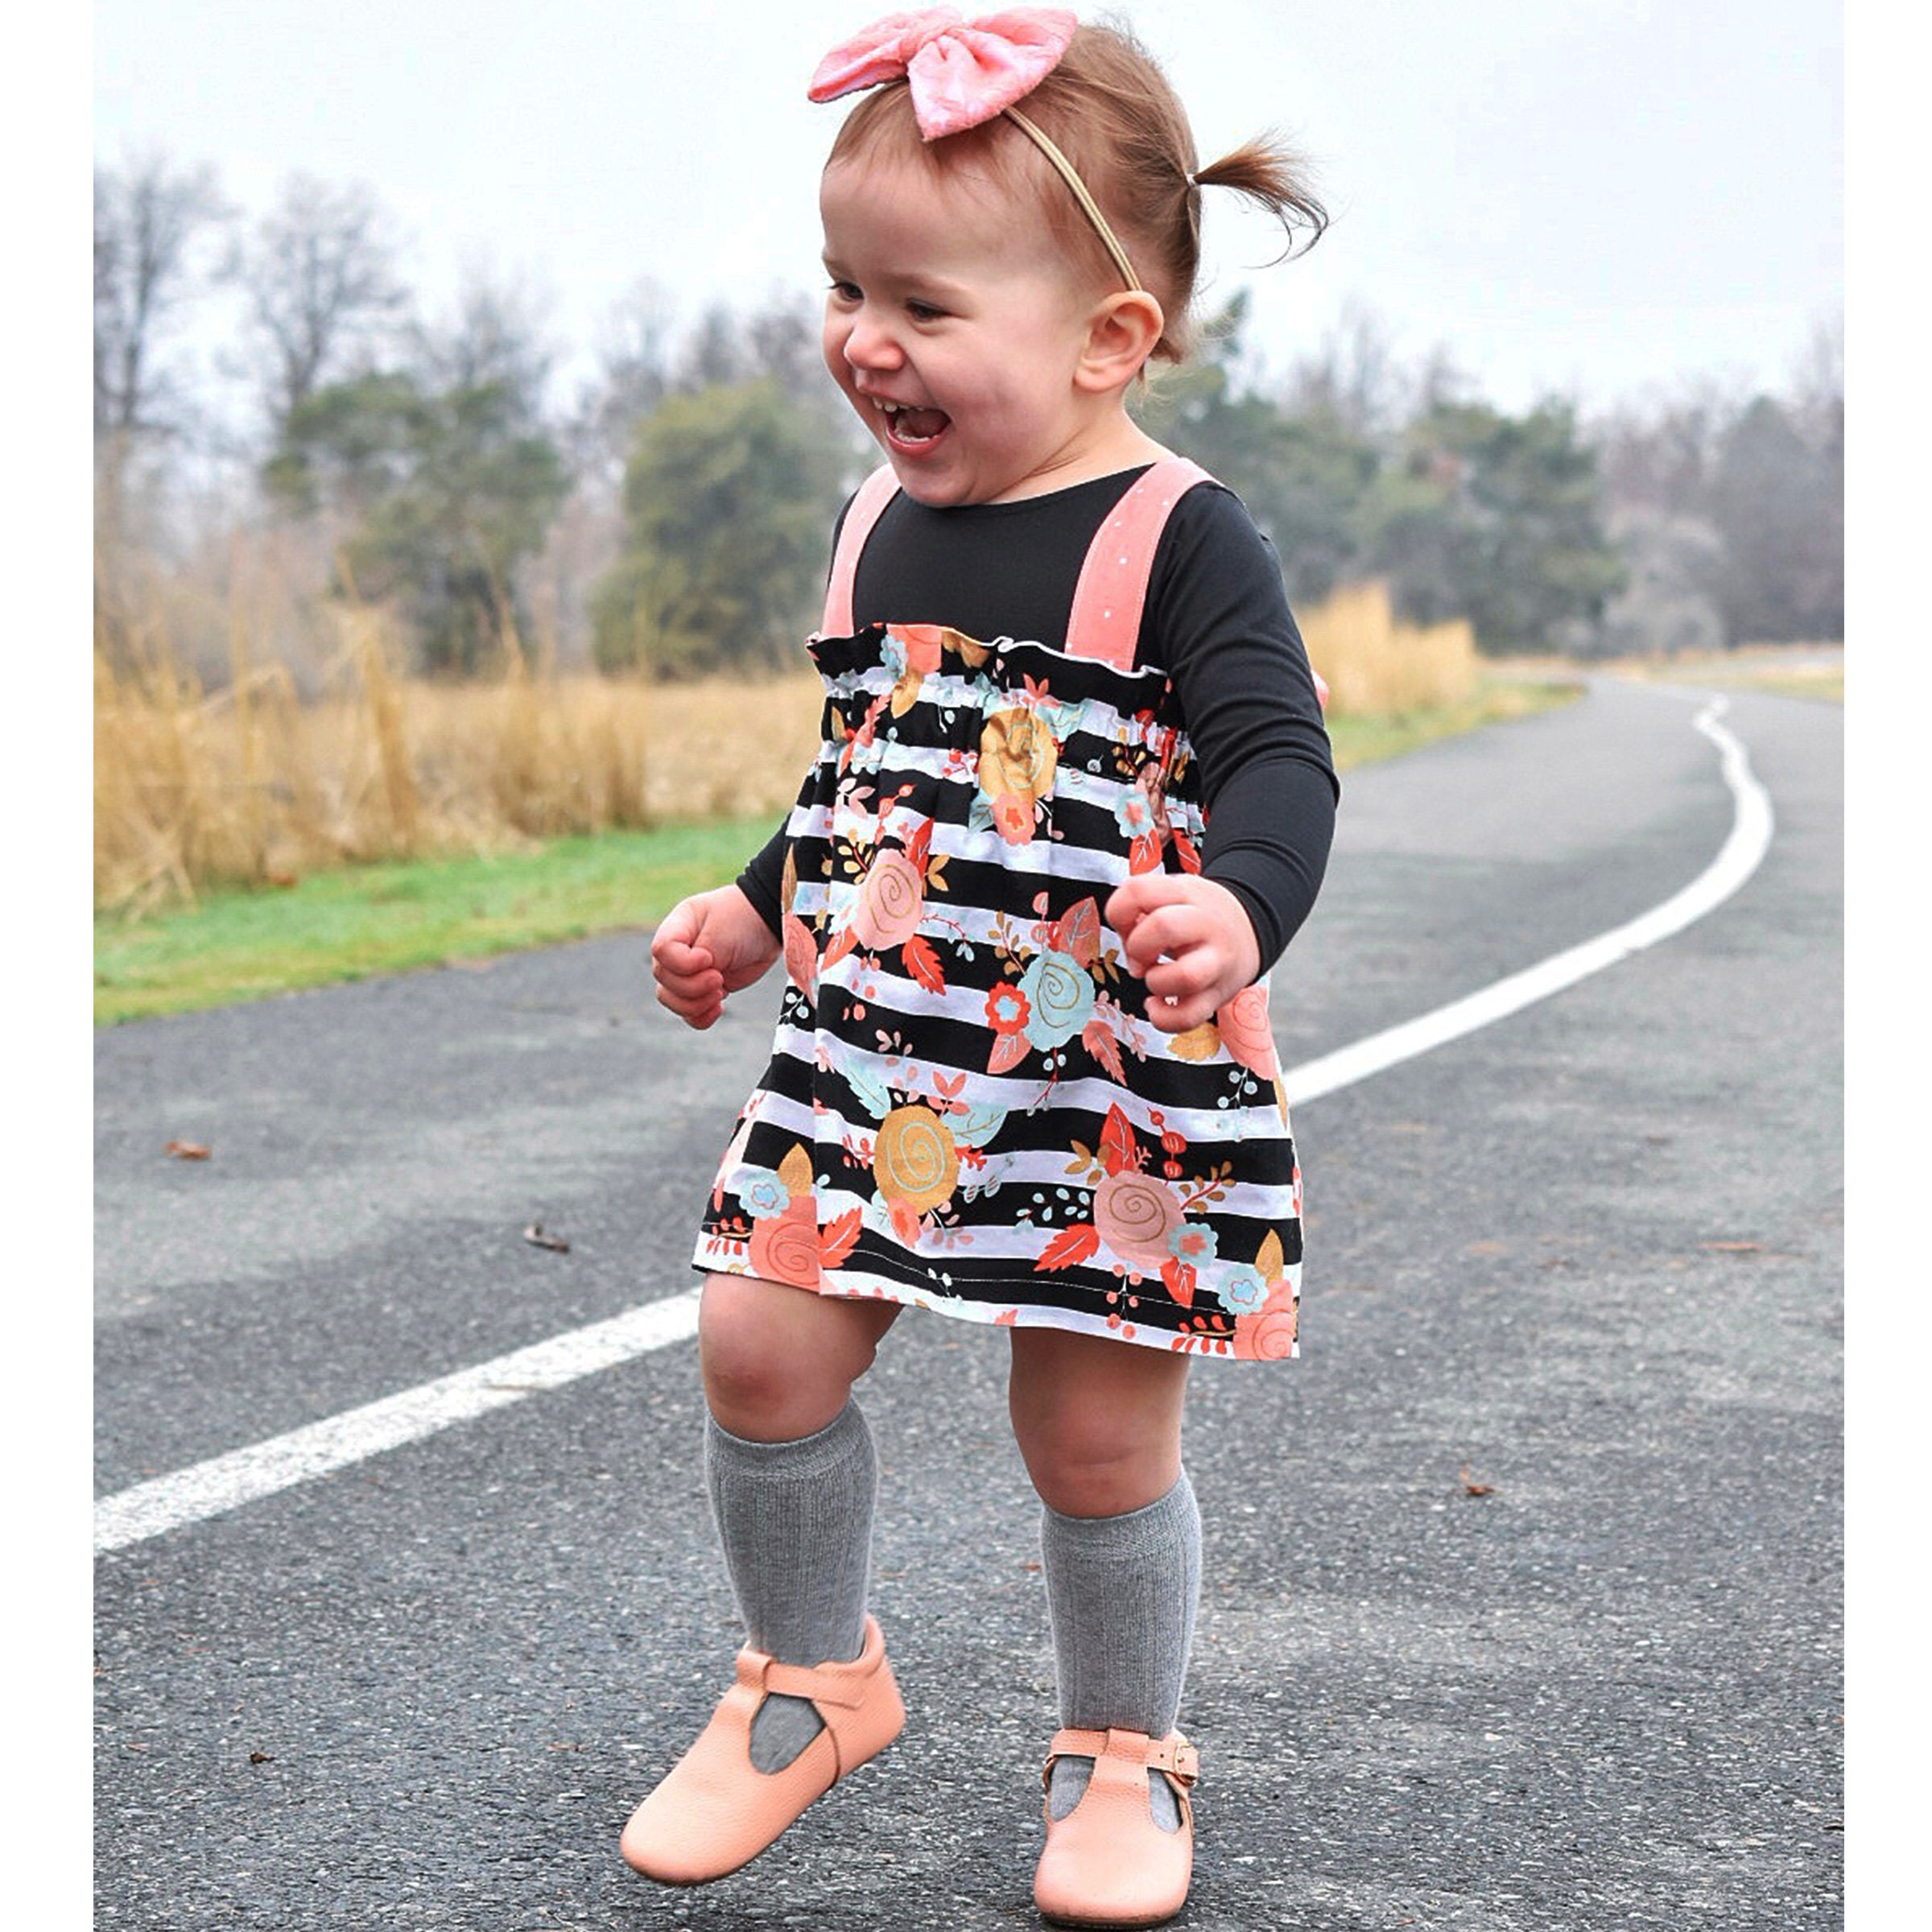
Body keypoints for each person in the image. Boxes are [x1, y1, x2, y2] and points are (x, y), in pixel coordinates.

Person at [625, 9, 1335, 1925]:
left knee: (1091, 1432)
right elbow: (873, 780)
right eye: (845, 287)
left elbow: (1280, 756)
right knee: (757, 1336)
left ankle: (1122, 1747)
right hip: (872, 1052)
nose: (868, 339)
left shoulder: (1180, 536)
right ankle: (812, 1680)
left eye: (924, 305)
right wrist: (758, 907)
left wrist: (1243, 906)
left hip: (1103, 1065)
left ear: (1108, 337)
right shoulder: (875, 528)